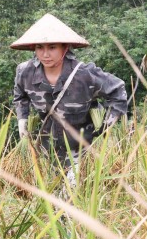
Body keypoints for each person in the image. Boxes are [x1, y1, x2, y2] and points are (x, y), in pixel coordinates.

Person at [10, 13, 128, 167]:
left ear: (65, 48)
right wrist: (22, 119)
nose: (45, 54)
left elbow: (118, 91)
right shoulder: (25, 72)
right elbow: (20, 96)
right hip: (46, 153)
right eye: (40, 48)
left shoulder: (85, 75)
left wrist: (105, 126)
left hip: (83, 152)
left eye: (52, 47)